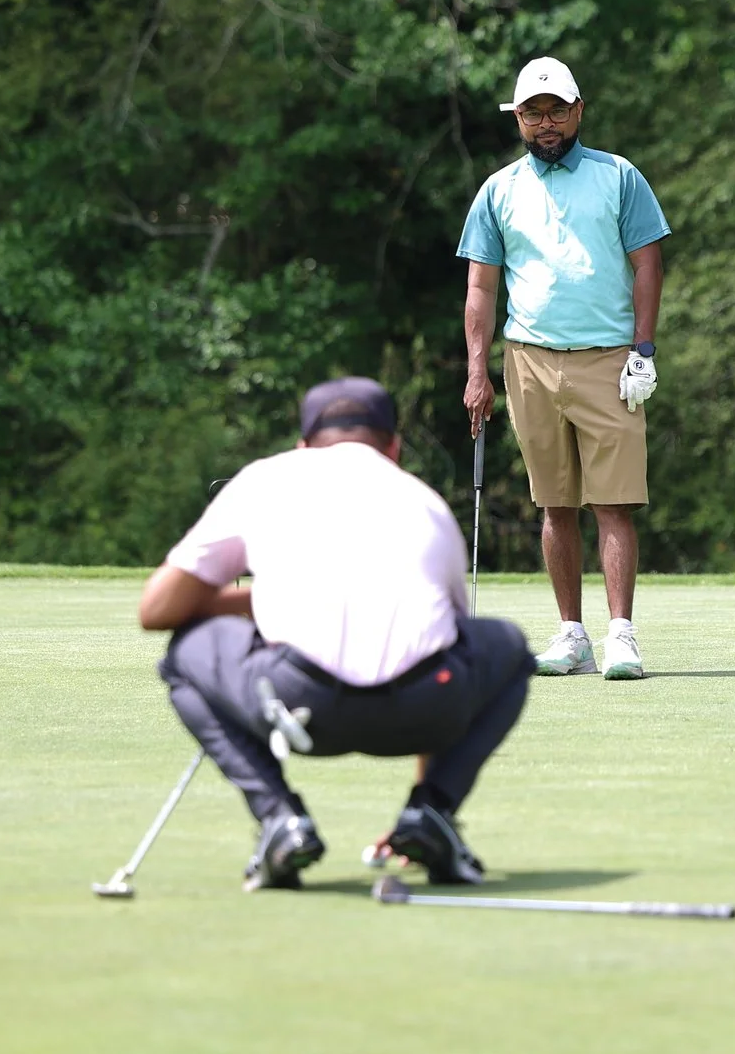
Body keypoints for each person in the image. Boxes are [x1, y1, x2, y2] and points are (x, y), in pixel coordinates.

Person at [137, 377, 532, 891]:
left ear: (302, 445)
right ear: (394, 447)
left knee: (185, 652)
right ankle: (432, 813)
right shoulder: (426, 501)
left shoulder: (264, 479)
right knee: (510, 648)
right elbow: (446, 639)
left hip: (299, 705)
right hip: (424, 708)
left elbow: (156, 609)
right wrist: (425, 793)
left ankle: (280, 820)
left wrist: (264, 599)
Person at [457, 55, 671, 680]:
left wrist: (644, 349)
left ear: (579, 111)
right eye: (533, 113)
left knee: (614, 503)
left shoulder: (619, 176)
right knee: (554, 505)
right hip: (528, 360)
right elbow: (480, 288)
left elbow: (648, 265)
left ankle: (621, 635)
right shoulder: (498, 190)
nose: (545, 123)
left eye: (556, 111)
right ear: (517, 119)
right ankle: (572, 635)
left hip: (609, 359)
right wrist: (477, 371)